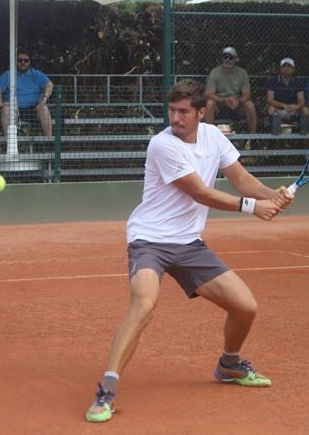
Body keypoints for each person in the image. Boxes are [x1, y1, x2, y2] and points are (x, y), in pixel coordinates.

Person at [85, 79, 293, 424]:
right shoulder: (162, 145)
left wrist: (273, 195)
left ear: (200, 113)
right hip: (149, 240)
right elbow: (200, 193)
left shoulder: (213, 137)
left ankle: (229, 365)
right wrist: (252, 208)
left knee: (246, 307)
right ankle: (105, 391)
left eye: (183, 111)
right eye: (172, 110)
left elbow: (241, 180)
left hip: (188, 244)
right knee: (144, 304)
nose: (176, 118)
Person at [0, 51, 53, 140]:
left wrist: (44, 100)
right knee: (6, 109)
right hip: (13, 108)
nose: (23, 62)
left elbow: (49, 85)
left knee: (44, 108)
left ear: (30, 62)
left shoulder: (36, 74)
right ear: (15, 62)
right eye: (20, 60)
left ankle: (49, 140)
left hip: (33, 109)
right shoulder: (8, 74)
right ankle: (8, 142)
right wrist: (0, 103)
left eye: (26, 60)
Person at [205, 47, 257, 133]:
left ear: (236, 59)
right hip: (219, 105)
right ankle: (208, 135)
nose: (228, 60)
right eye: (225, 57)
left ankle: (252, 138)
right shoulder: (215, 72)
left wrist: (238, 101)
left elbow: (247, 95)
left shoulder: (242, 72)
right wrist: (224, 100)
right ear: (222, 59)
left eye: (231, 57)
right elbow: (209, 94)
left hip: (237, 105)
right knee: (209, 103)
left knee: (250, 105)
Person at [266, 58, 309, 135]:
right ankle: (275, 133)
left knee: (305, 110)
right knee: (271, 109)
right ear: (280, 69)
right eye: (284, 66)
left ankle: (303, 134)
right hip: (279, 109)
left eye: (289, 66)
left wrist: (296, 107)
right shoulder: (273, 81)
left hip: (294, 110)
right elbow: (270, 100)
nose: (286, 68)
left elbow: (302, 100)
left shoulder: (298, 82)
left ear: (293, 69)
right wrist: (283, 105)